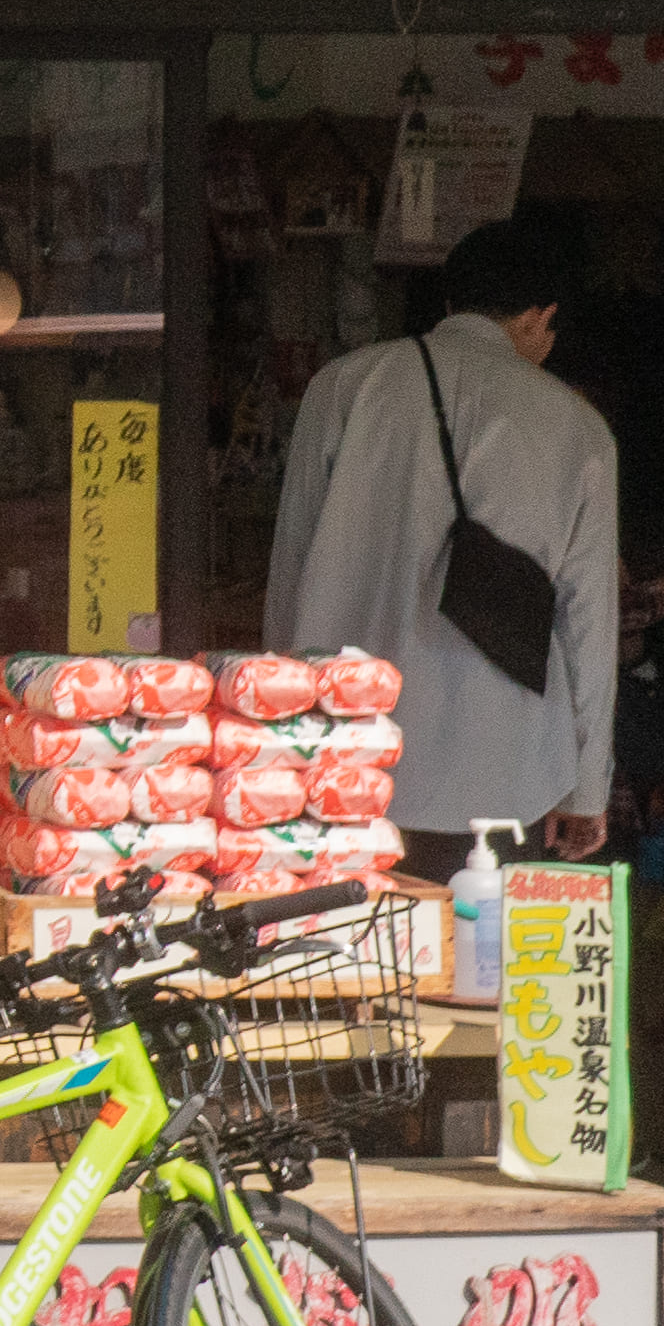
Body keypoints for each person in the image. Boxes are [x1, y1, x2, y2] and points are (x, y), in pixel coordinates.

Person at [263, 209, 619, 863]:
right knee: (489, 930)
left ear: (451, 301)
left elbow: (292, 565)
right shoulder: (578, 426)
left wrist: (277, 738)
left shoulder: (343, 387)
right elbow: (588, 619)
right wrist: (588, 789)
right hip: (508, 770)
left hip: (346, 755)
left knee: (353, 932)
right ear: (537, 316)